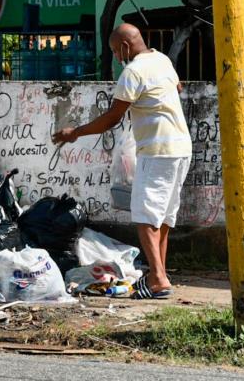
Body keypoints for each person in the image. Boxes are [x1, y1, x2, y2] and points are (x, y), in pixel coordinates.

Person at [52, 23, 191, 299]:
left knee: (145, 214)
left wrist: (75, 132)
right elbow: (178, 87)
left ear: (126, 47)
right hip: (181, 147)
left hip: (157, 149)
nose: (117, 58)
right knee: (162, 217)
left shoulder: (133, 72)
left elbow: (112, 118)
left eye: (116, 52)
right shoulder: (161, 59)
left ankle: (158, 279)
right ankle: (158, 273)